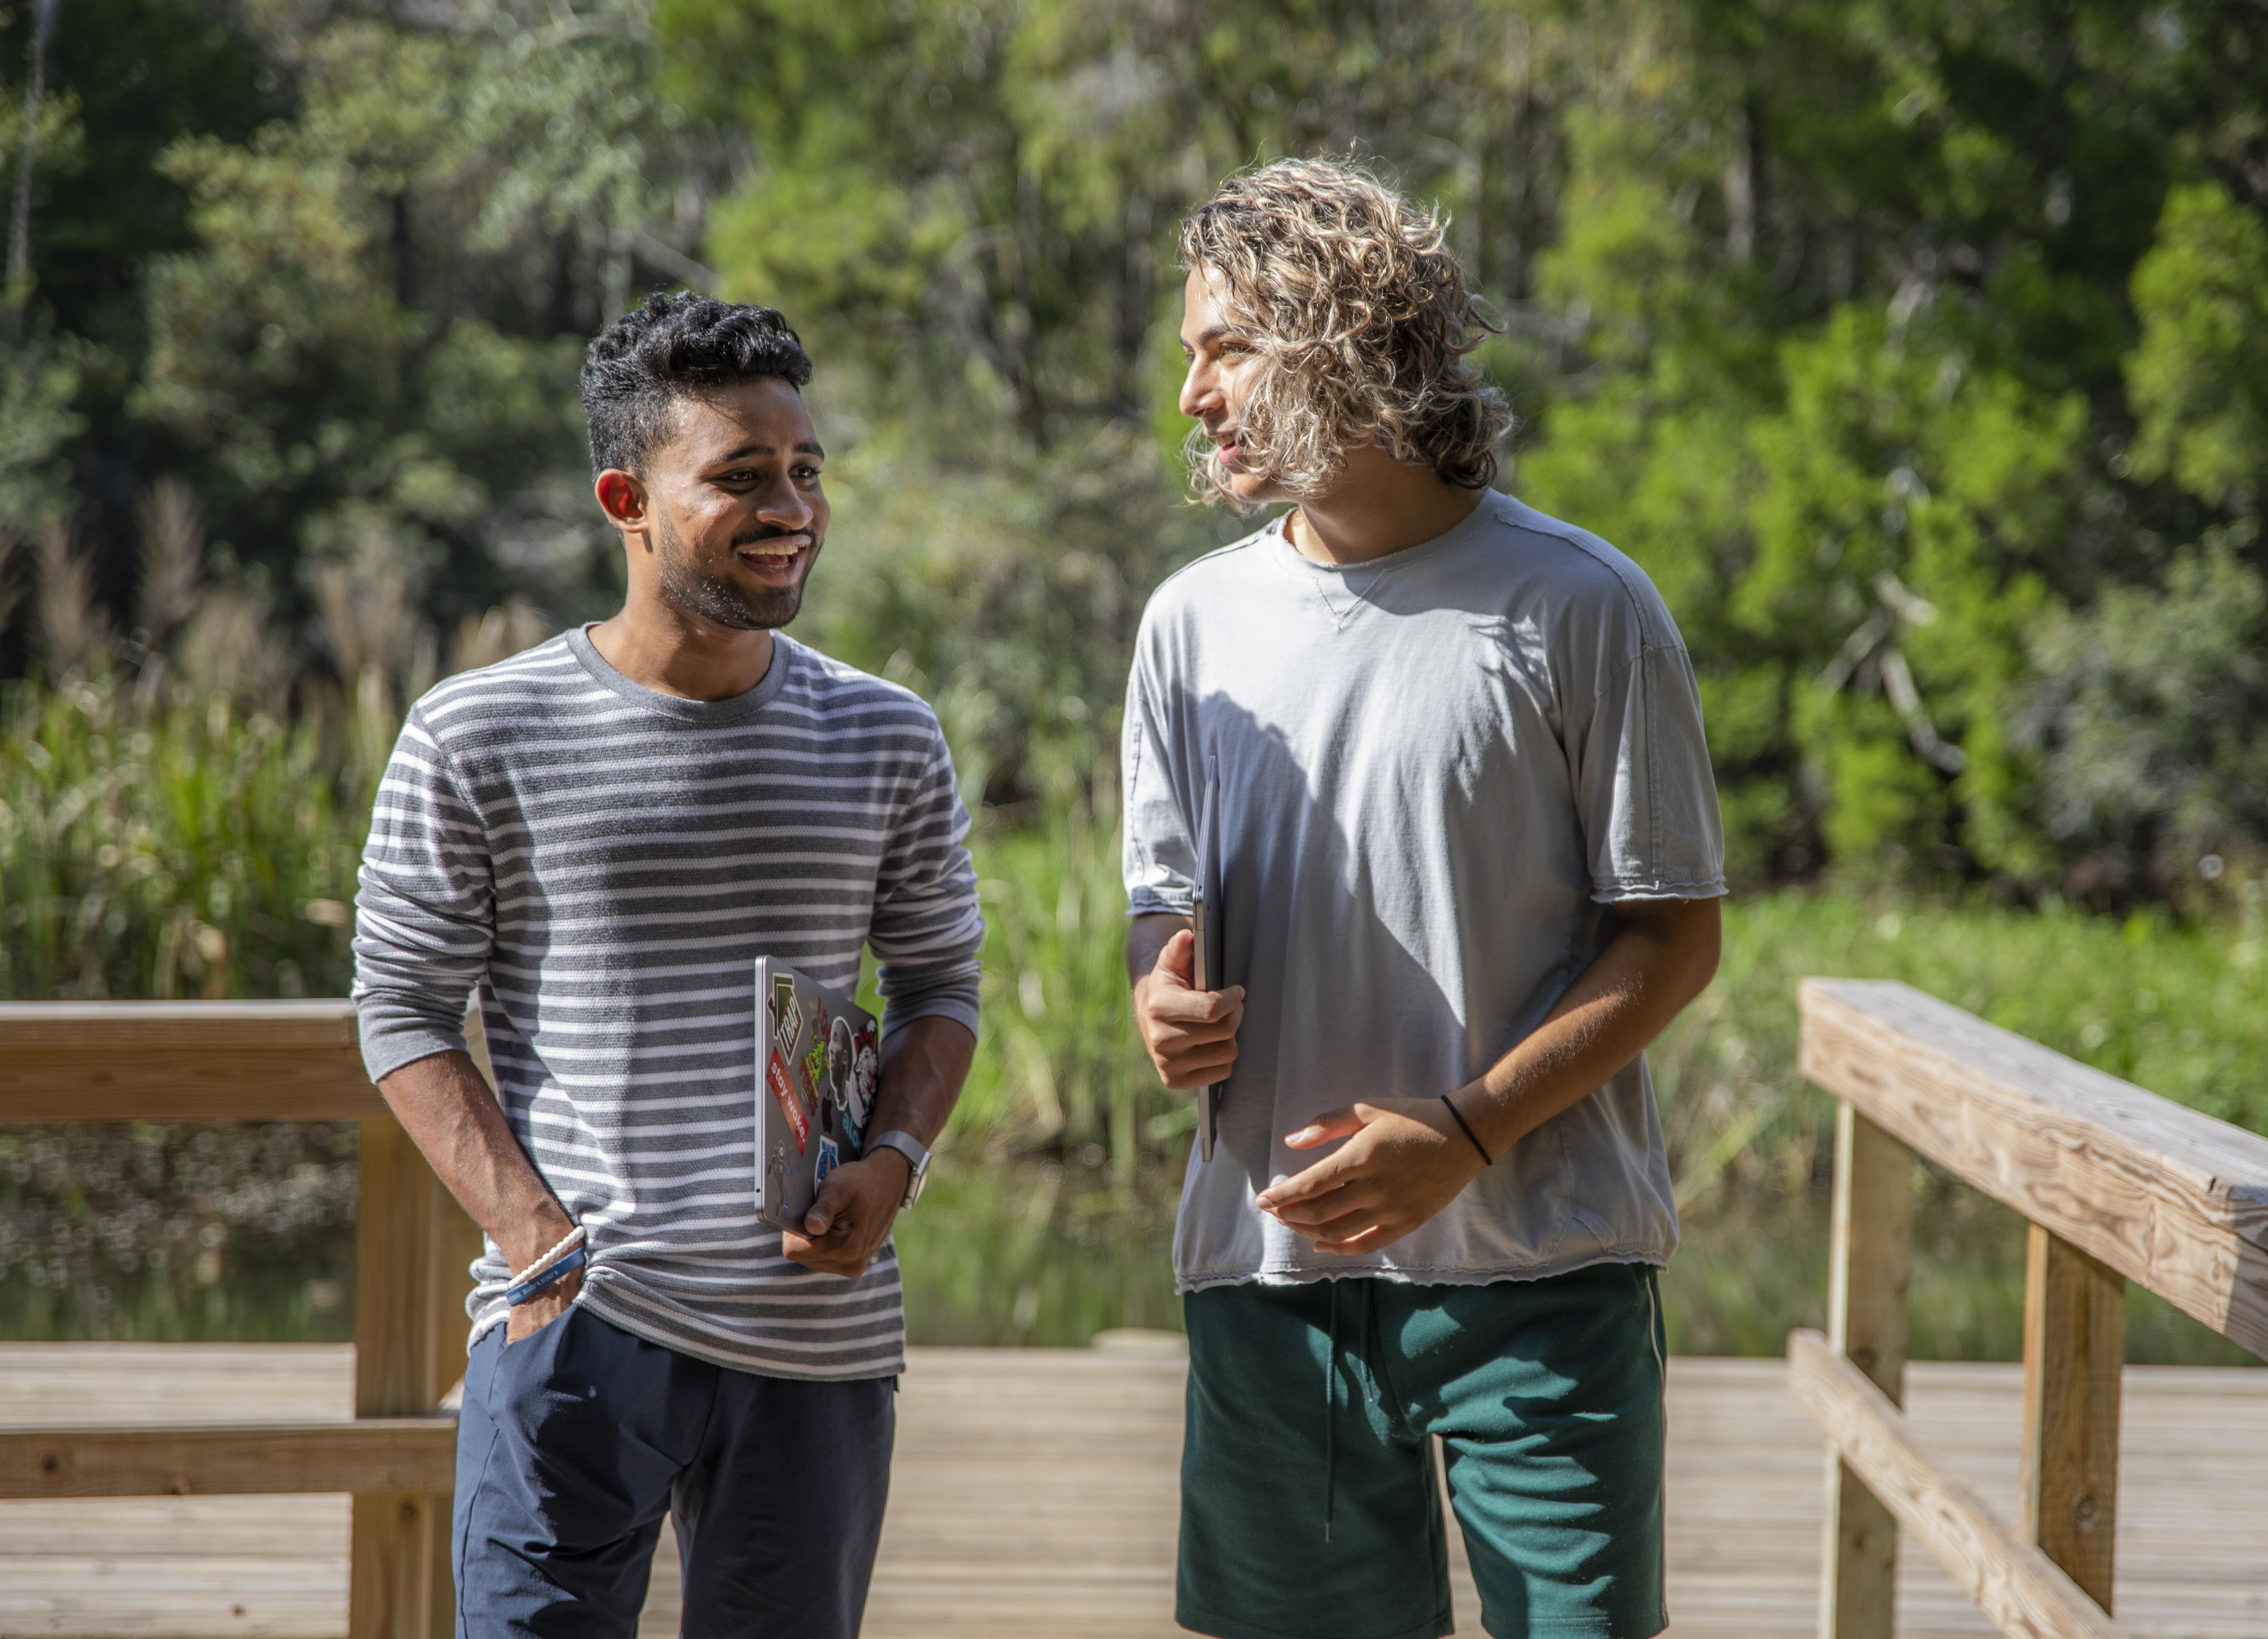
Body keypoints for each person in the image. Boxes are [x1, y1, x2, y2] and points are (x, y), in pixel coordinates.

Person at [1123, 158, 1726, 1639]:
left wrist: (1466, 1132)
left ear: (1342, 336)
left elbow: (1670, 938)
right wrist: (1157, 993)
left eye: (1224, 347)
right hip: (1267, 1277)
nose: (1191, 395)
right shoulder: (1188, 623)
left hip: (1543, 1274)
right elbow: (1159, 901)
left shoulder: (1582, 604)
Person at [351, 291, 983, 1637]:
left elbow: (939, 987)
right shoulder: (476, 732)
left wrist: (894, 1161)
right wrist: (531, 1237)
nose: (791, 507)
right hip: (577, 1323)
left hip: (815, 1337)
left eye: (805, 470)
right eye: (742, 477)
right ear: (626, 501)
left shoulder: (887, 735)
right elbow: (401, 1007)